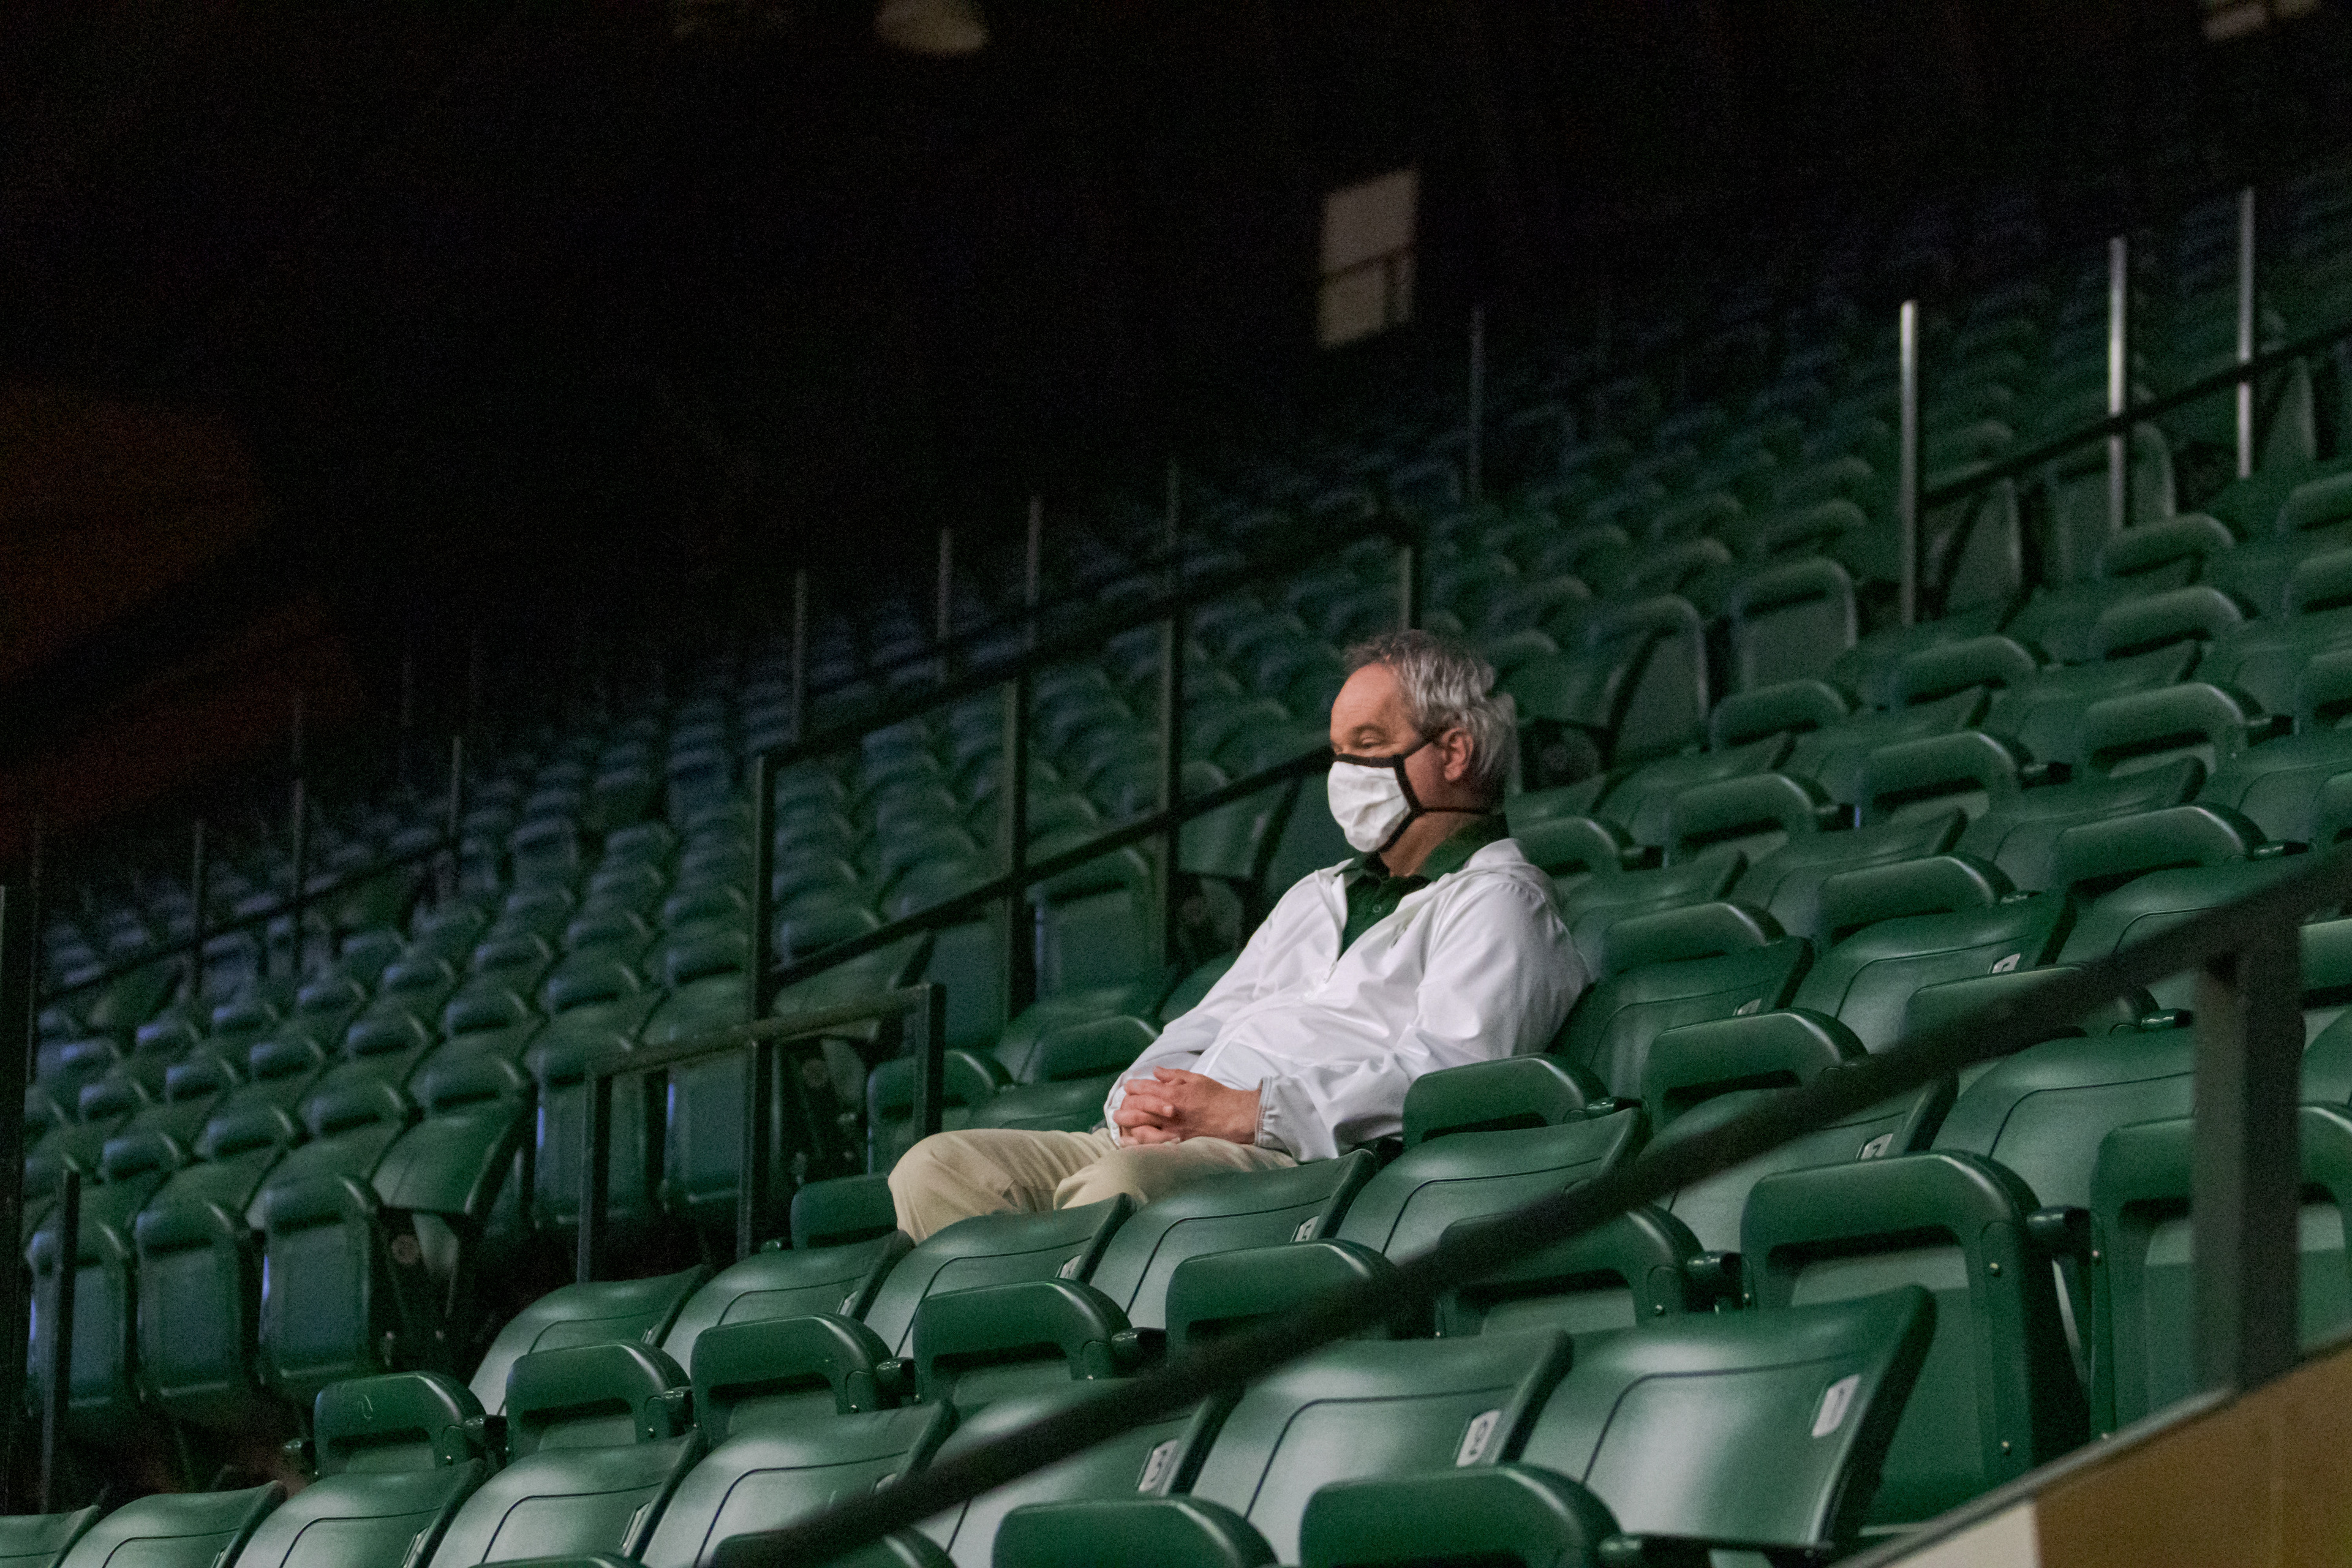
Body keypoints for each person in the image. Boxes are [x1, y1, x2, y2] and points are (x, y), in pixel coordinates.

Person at [886, 628, 1586, 1242]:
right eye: (1339, 753)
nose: (1345, 775)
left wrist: (1248, 1112)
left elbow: (1452, 1079)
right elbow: (1201, 1026)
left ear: (1456, 752)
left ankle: (1067, 1369)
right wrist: (1140, 1102)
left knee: (1117, 1188)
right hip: (1177, 1139)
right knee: (938, 1170)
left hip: (1302, 1160)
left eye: (1367, 746)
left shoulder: (1499, 900)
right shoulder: (1320, 893)